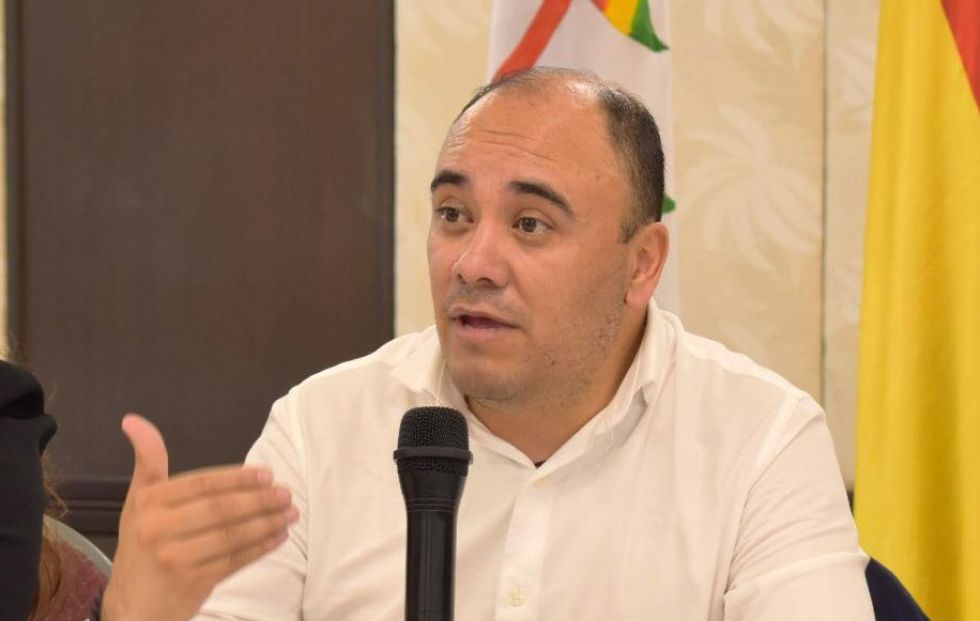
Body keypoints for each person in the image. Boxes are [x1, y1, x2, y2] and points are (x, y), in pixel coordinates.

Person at [103, 67, 874, 619]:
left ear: (641, 264)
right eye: (454, 215)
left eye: (530, 224)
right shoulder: (321, 426)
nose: (473, 263)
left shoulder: (761, 441)